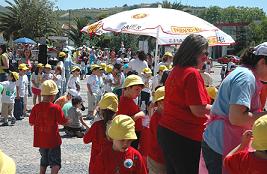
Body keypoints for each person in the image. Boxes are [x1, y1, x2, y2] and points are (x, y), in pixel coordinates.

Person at [202, 42, 267, 174]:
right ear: (262, 62)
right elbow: (237, 118)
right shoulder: (246, 78)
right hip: (221, 143)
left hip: (220, 140)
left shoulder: (245, 74)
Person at [158, 34, 211, 174]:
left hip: (169, 131)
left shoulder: (175, 71)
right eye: (204, 54)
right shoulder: (192, 74)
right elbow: (198, 109)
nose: (206, 58)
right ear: (194, 54)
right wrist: (222, 109)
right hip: (185, 135)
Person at [29, 80, 69, 174]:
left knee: (44, 160)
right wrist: (68, 121)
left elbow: (31, 123)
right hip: (53, 140)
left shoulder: (36, 107)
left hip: (41, 140)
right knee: (55, 162)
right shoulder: (56, 108)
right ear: (53, 96)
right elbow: (62, 121)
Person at [83, 92, 118, 173]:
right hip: (112, 164)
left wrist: (88, 129)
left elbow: (86, 140)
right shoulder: (117, 126)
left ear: (101, 111)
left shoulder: (96, 125)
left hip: (95, 164)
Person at [117, 74, 145, 150]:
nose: (139, 93)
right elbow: (123, 121)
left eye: (140, 90)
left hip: (134, 133)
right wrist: (139, 114)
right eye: (136, 89)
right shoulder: (124, 102)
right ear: (128, 88)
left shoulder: (129, 100)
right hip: (130, 136)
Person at [147, 86, 166, 174]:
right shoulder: (157, 118)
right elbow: (161, 140)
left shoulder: (164, 115)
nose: (166, 102)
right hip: (157, 157)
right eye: (162, 100)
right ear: (158, 102)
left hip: (161, 157)